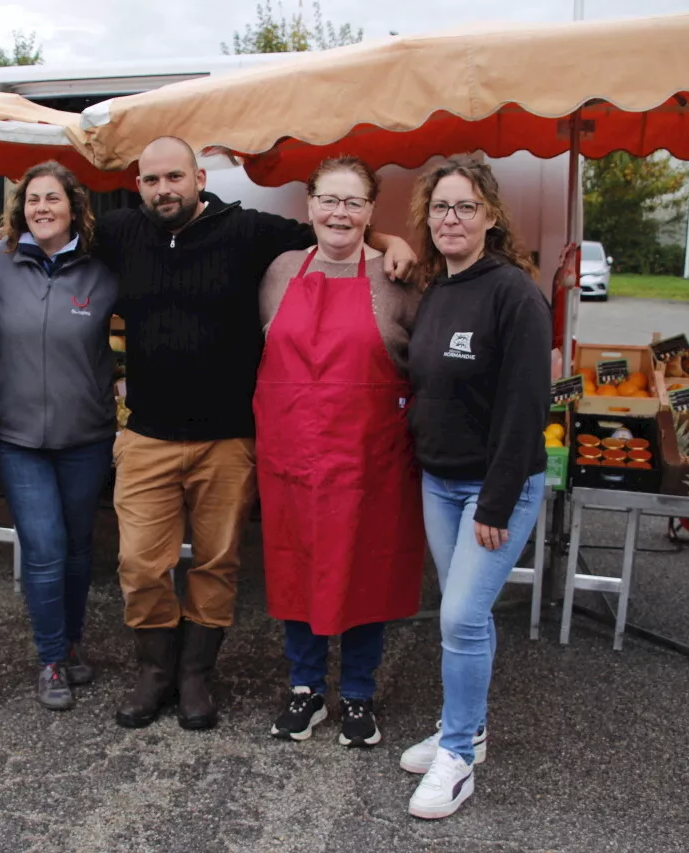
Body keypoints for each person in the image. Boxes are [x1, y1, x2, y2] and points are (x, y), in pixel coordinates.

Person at [98, 136, 418, 731]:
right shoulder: (122, 232)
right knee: (144, 564)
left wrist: (393, 240)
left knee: (229, 564)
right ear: (137, 185)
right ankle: (159, 672)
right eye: (151, 180)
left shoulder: (253, 235)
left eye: (175, 176)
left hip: (251, 441)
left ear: (198, 176)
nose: (164, 189)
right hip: (170, 436)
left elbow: (341, 242)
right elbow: (46, 232)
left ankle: (204, 678)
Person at [254, 156, 426, 748]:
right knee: (296, 563)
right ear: (309, 206)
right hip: (293, 459)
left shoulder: (397, 279)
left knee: (365, 571)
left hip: (368, 462)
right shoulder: (278, 272)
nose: (340, 213)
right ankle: (304, 688)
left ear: (371, 212)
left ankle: (356, 693)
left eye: (354, 203)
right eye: (330, 200)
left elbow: (423, 367)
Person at [398, 156, 550, 818]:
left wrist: (496, 498)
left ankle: (457, 755)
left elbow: (526, 406)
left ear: (491, 215)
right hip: (439, 481)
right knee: (466, 616)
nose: (449, 219)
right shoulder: (437, 288)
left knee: (459, 616)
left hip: (496, 488)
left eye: (463, 207)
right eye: (439, 208)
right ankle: (471, 727)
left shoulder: (514, 293)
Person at [0, 161, 117, 711]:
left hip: (85, 433)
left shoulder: (104, 268)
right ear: (21, 210)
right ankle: (51, 659)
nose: (42, 208)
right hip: (17, 437)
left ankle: (74, 640)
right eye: (32, 199)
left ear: (74, 207)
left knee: (79, 548)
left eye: (52, 199)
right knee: (42, 547)